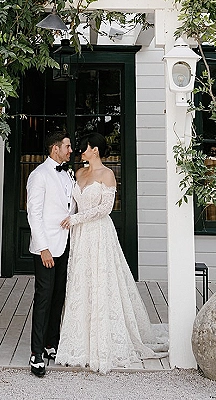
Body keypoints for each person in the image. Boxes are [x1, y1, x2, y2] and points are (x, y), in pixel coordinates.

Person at [55, 131, 168, 374]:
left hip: (98, 233)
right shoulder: (79, 173)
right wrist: (67, 221)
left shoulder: (107, 175)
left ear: (94, 149)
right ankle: (78, 342)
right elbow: (72, 204)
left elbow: (105, 209)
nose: (80, 152)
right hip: (80, 236)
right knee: (81, 283)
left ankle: (104, 341)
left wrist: (75, 219)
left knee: (102, 281)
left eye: (84, 148)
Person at [26, 130, 75, 378]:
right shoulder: (39, 175)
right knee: (44, 298)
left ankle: (50, 344)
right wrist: (43, 247)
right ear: (55, 148)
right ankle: (36, 354)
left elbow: (70, 205)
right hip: (46, 248)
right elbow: (33, 214)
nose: (70, 150)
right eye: (67, 146)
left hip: (64, 245)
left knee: (58, 296)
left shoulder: (67, 174)